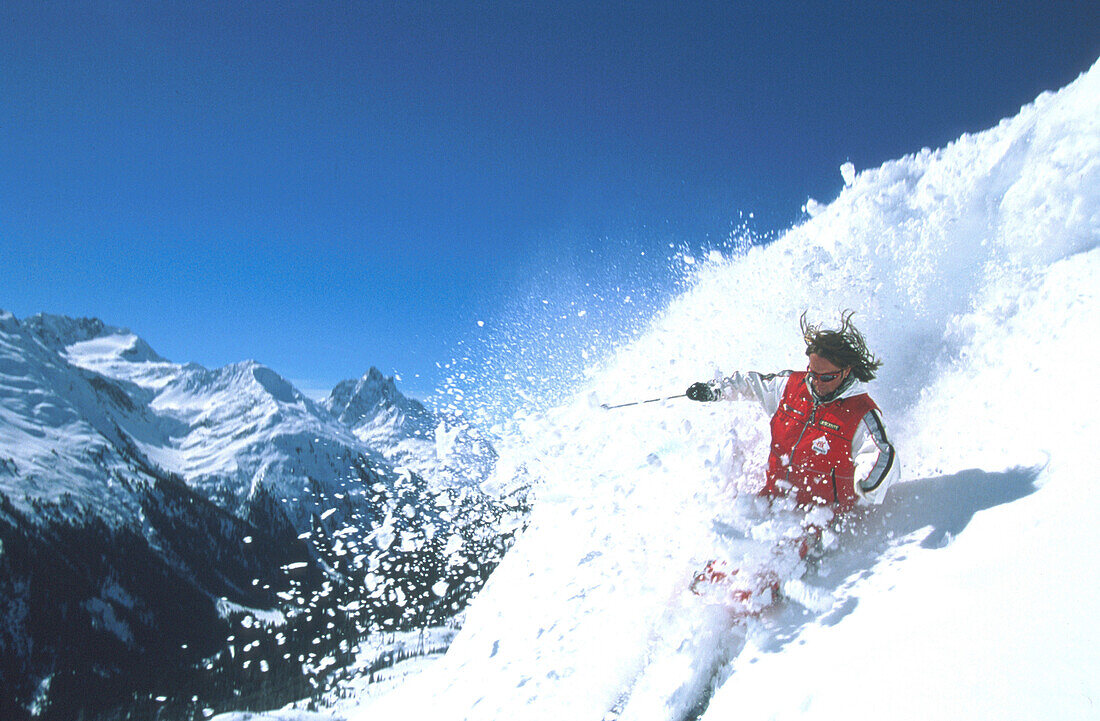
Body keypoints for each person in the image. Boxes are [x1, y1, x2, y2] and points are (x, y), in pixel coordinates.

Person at [684, 311, 899, 607]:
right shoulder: (792, 386)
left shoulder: (860, 413)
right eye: (812, 373)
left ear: (847, 371)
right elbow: (752, 384)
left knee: (759, 577)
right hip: (772, 498)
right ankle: (689, 613)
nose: (817, 383)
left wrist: (866, 482)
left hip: (816, 517)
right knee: (723, 560)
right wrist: (715, 390)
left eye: (826, 377)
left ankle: (732, 633)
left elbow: (881, 453)